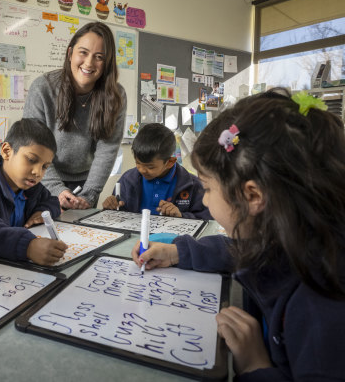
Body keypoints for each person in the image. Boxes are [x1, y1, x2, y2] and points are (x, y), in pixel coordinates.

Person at [132, 89, 345, 380]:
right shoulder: (293, 237)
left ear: (252, 195)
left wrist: (256, 365)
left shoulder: (322, 305)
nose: (204, 201)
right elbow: (241, 250)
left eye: (207, 189)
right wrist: (177, 252)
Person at [23, 21, 126, 209]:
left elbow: (107, 150)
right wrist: (57, 190)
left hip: (85, 184)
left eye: (99, 57)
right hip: (42, 178)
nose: (89, 63)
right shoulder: (43, 88)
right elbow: (34, 147)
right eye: (83, 53)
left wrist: (89, 194)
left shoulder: (115, 95)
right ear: (70, 53)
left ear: (107, 63)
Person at [0, 118, 67, 266]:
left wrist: (42, 211)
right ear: (7, 152)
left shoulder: (32, 187)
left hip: (10, 266)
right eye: (31, 160)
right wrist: (28, 246)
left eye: (45, 166)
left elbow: (51, 201)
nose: (37, 172)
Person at [102, 123, 210, 219]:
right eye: (138, 163)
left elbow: (207, 220)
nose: (142, 170)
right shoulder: (127, 180)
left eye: (150, 167)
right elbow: (118, 214)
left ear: (170, 162)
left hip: (170, 240)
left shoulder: (192, 185)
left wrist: (181, 216)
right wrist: (110, 208)